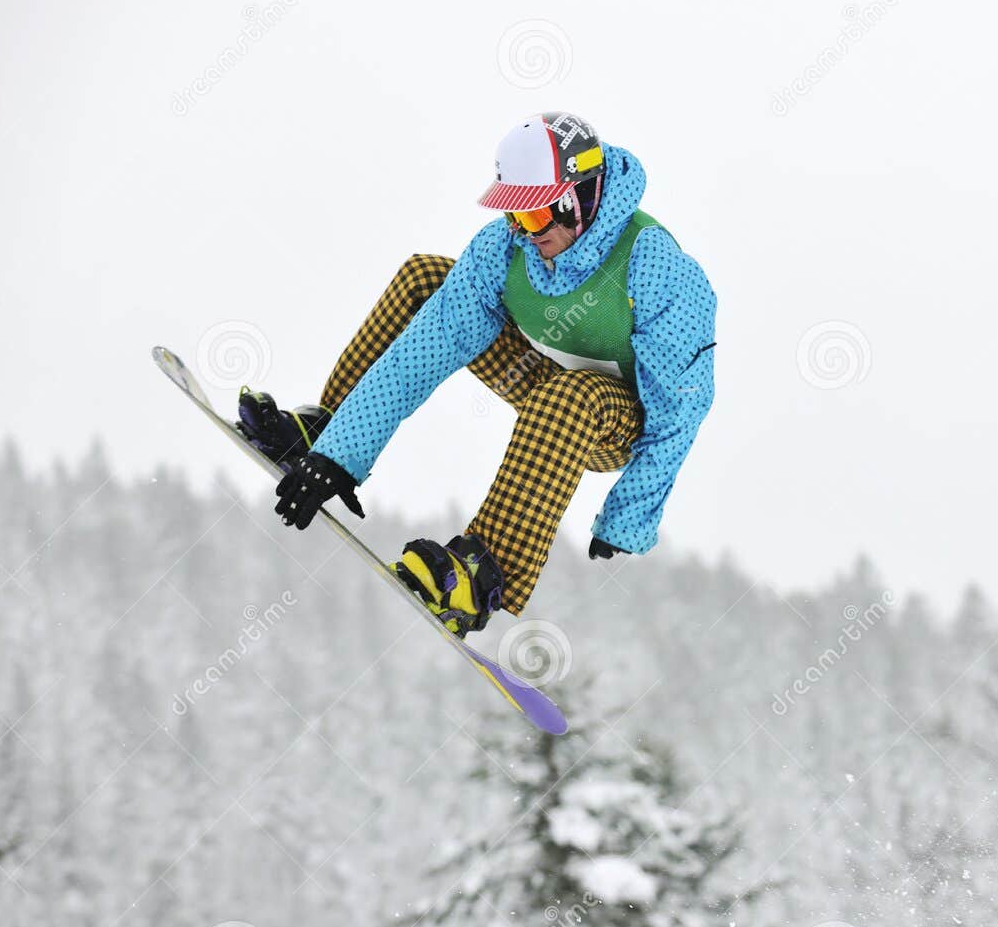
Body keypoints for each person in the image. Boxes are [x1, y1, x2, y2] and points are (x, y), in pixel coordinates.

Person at [239, 112, 716, 638]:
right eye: (514, 214)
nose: (524, 231)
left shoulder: (654, 265)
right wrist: (338, 456)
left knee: (569, 395)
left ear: (579, 198)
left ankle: (478, 575)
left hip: (613, 424)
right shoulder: (503, 249)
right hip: (540, 382)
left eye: (535, 215)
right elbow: (426, 346)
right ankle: (329, 429)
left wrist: (628, 515)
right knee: (428, 279)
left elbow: (682, 403)